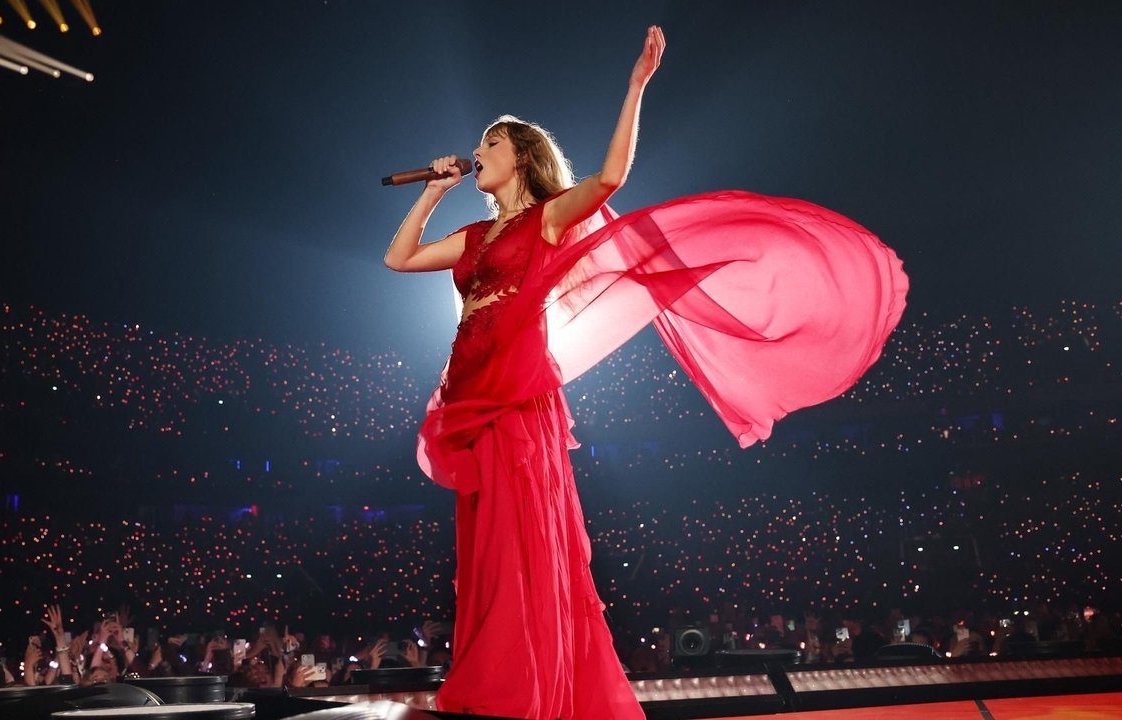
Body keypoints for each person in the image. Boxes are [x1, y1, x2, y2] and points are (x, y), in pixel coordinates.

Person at [384, 26, 907, 720]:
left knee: (518, 546)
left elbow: (609, 180)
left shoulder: (546, 219)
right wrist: (434, 190)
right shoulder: (475, 237)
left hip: (516, 394)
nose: (478, 152)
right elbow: (399, 258)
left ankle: (521, 689)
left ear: (522, 158)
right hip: (470, 391)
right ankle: (497, 677)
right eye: (480, 145)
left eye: (491, 143)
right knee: (482, 550)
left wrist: (635, 87)